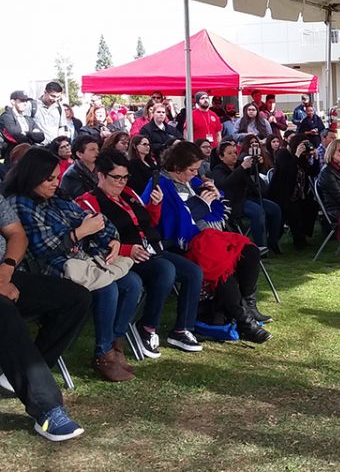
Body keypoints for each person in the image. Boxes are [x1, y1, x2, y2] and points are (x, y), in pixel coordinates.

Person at [4, 148, 143, 382]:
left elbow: (96, 221)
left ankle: (113, 342)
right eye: (49, 179)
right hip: (48, 267)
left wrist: (112, 239)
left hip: (81, 259)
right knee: (106, 289)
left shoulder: (59, 196)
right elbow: (42, 248)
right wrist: (79, 234)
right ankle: (103, 354)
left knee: (132, 282)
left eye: (57, 177)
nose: (55, 183)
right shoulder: (20, 203)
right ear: (32, 176)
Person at [77, 151, 204, 356]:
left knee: (193, 272)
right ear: (101, 175)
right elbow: (93, 241)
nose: (121, 182)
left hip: (150, 248)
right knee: (165, 269)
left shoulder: (129, 194)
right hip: (122, 257)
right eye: (116, 177)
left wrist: (155, 205)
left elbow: (148, 223)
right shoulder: (89, 201)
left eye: (125, 177)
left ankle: (182, 329)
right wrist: (127, 249)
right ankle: (147, 327)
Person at [152, 141, 272, 338]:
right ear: (176, 167)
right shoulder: (161, 184)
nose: (195, 174)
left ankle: (249, 305)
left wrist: (215, 194)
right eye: (191, 170)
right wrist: (201, 204)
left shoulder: (189, 180)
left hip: (206, 236)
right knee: (221, 266)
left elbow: (216, 201)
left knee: (248, 249)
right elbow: (172, 223)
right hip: (182, 243)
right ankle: (244, 321)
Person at [0, 192, 91, 441]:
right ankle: (47, 408)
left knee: (75, 298)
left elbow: (17, 234)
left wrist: (7, 269)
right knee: (4, 312)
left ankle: (20, 372)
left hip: (5, 273)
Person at [210, 140, 284, 253]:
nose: (234, 155)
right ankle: (260, 247)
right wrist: (242, 168)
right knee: (258, 212)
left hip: (249, 197)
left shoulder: (240, 164)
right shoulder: (218, 170)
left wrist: (257, 164)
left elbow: (253, 174)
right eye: (230, 153)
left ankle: (273, 241)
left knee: (275, 209)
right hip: (233, 202)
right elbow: (225, 183)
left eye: (235, 152)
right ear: (221, 157)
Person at [269, 134, 320, 250]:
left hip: (298, 194)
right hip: (282, 195)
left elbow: (313, 172)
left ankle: (304, 234)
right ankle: (299, 241)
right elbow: (288, 170)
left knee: (312, 205)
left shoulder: (302, 158)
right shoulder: (283, 154)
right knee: (293, 210)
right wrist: (296, 154)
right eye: (303, 144)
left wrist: (315, 158)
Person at [0, 90, 42, 158]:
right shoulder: (6, 117)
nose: (25, 103)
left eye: (26, 101)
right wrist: (33, 135)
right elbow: (16, 136)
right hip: (14, 157)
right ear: (13, 101)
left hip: (30, 156)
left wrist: (27, 133)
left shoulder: (28, 118)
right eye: (22, 101)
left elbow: (41, 137)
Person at [59, 134, 101, 198]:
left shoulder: (101, 167)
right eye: (92, 149)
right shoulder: (71, 175)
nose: (97, 152)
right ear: (79, 154)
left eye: (97, 149)